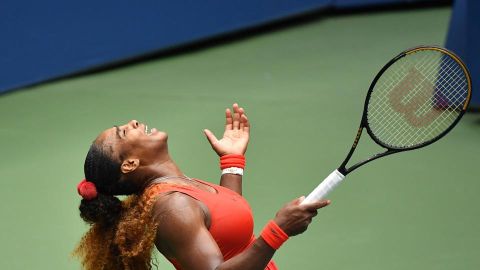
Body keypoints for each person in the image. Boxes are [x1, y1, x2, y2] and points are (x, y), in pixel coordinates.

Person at [73, 103, 331, 270]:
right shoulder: (172, 206)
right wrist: (278, 231)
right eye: (124, 133)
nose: (133, 122)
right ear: (129, 164)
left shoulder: (176, 188)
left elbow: (225, 227)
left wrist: (232, 163)